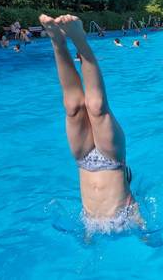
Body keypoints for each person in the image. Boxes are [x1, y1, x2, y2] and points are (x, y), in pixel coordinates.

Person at [39, 14, 143, 232]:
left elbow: (87, 232)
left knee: (73, 107)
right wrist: (147, 237)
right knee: (96, 108)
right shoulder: (128, 207)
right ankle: (79, 38)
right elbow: (142, 224)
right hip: (112, 159)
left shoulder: (94, 225)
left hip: (83, 160)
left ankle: (57, 42)